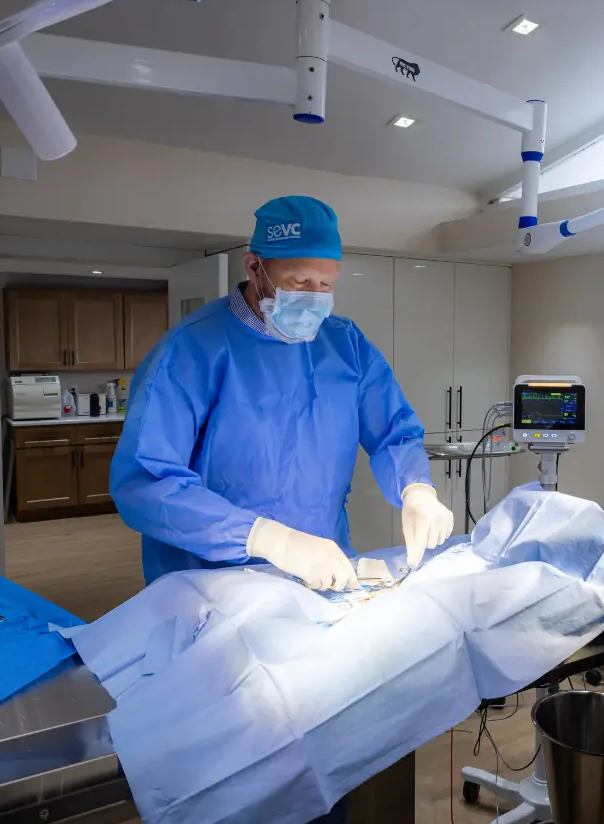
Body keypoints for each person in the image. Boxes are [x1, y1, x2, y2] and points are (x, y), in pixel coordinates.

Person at [111, 195, 455, 589]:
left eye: (326, 284)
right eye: (300, 282)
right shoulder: (190, 350)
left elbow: (393, 430)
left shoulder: (344, 344)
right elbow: (147, 483)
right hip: (212, 581)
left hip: (321, 571)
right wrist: (268, 539)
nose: (314, 296)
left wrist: (416, 490)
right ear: (254, 266)